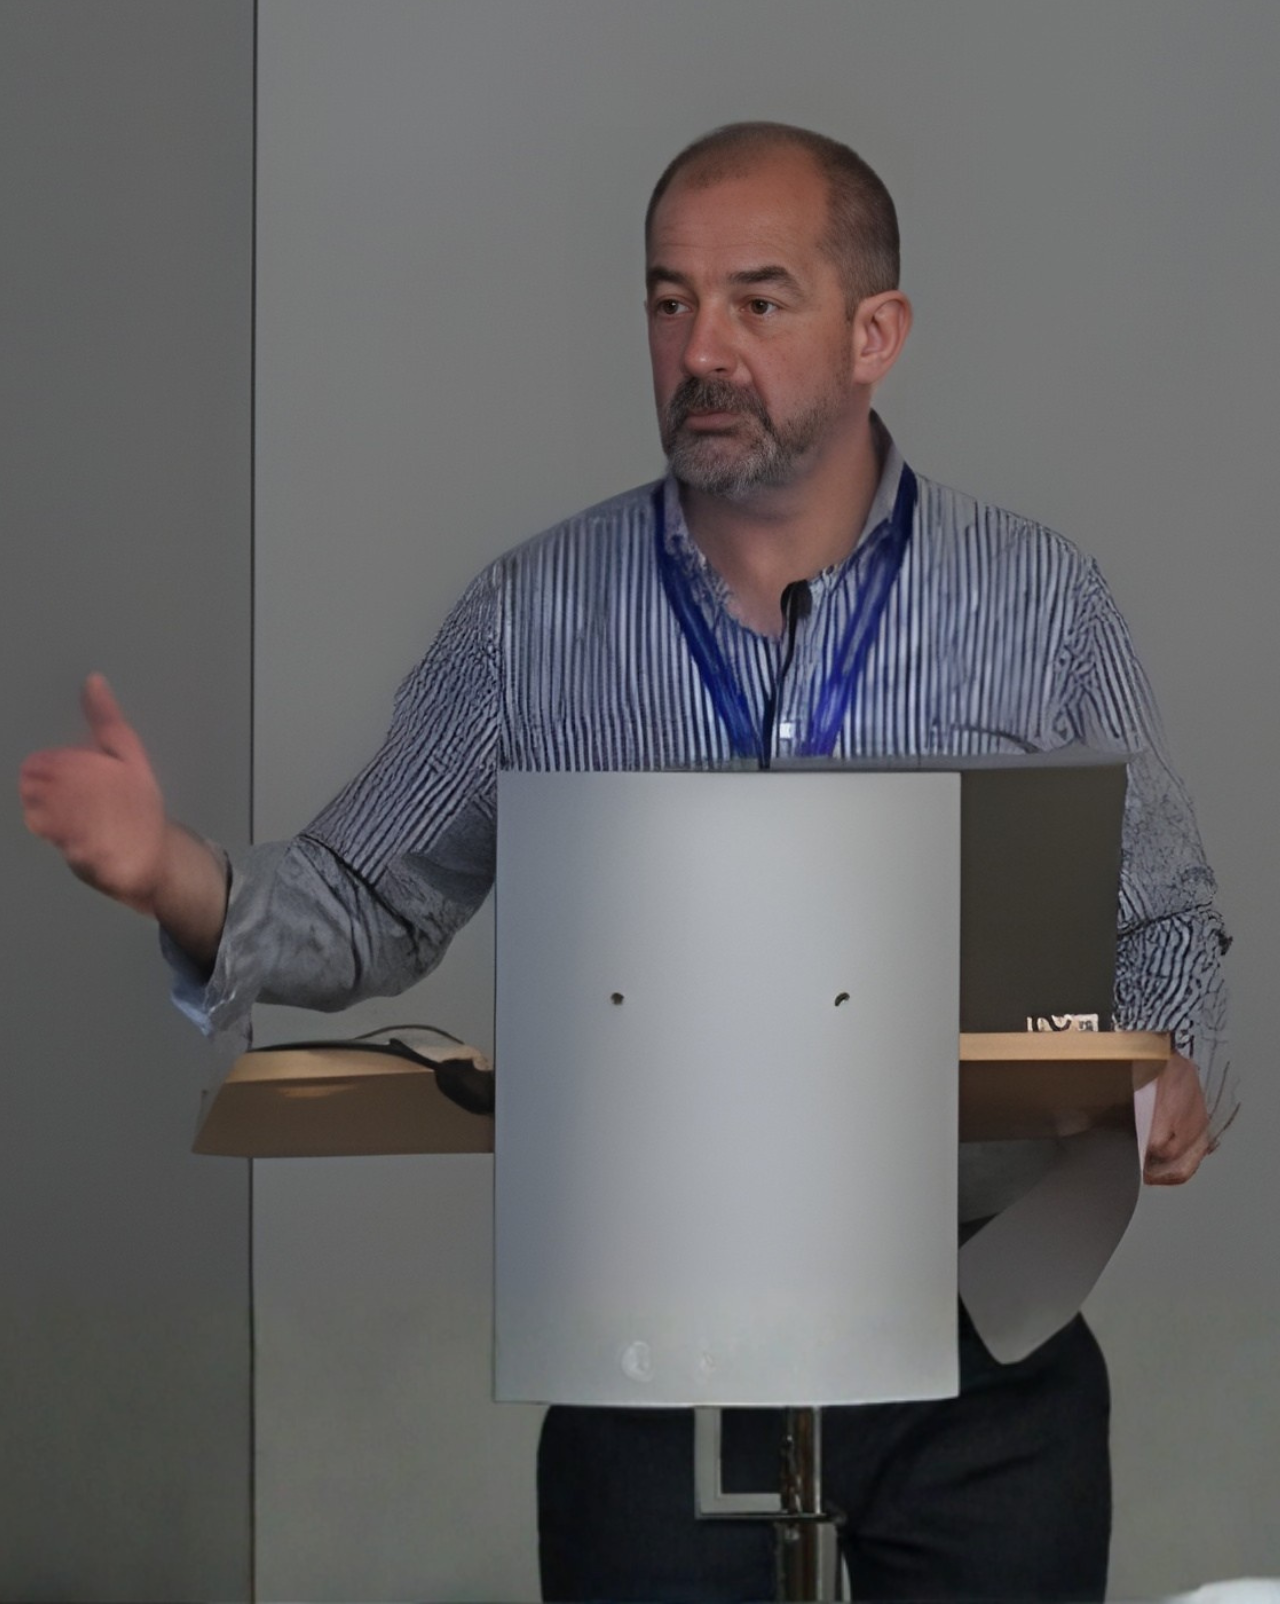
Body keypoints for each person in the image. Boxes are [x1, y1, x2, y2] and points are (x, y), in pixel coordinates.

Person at [20, 122, 1231, 1601]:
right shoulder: (531, 617)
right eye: (669, 300)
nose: (700, 348)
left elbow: (1163, 914)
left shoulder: (1041, 603)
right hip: (652, 1349)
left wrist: (1171, 1066)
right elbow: (368, 900)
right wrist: (171, 872)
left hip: (986, 1328)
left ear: (875, 335)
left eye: (758, 301)